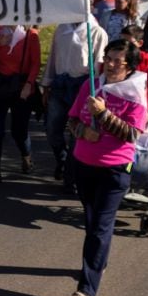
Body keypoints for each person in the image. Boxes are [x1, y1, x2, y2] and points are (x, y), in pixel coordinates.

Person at [67, 40, 148, 296]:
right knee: (93, 222)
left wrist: (102, 116)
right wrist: (83, 132)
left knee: (100, 226)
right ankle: (99, 261)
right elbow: (72, 119)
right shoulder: (92, 85)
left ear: (130, 66)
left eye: (117, 61)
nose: (110, 65)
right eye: (108, 58)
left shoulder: (134, 93)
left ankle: (87, 288)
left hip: (114, 170)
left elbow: (133, 134)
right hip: (83, 164)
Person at [42, 20, 107, 188]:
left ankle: (70, 176)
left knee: (76, 132)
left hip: (81, 85)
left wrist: (97, 90)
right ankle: (62, 160)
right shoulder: (61, 28)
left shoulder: (96, 32)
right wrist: (47, 82)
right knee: (52, 129)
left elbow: (99, 65)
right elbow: (53, 56)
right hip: (60, 83)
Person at [0, 25, 41, 185]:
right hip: (0, 87)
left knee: (19, 131)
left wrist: (29, 84)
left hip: (21, 87)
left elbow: (36, 63)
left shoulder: (31, 36)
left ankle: (26, 156)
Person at [119, 25, 148, 107]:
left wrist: (146, 109)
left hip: (137, 105)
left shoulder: (147, 62)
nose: (125, 46)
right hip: (117, 102)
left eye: (130, 43)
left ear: (140, 43)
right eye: (122, 41)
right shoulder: (114, 58)